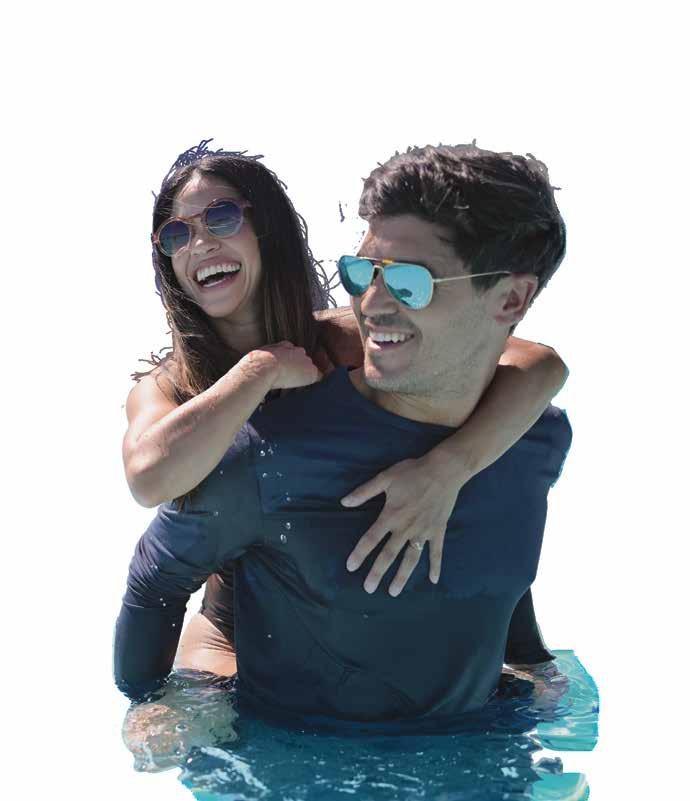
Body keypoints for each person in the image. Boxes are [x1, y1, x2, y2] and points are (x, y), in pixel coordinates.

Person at [115, 143, 571, 728]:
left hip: (371, 621)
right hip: (236, 626)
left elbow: (538, 365)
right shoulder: (176, 388)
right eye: (176, 235)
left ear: (269, 230)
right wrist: (258, 371)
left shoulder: (348, 338)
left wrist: (450, 468)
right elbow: (147, 482)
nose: (198, 243)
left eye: (221, 218)